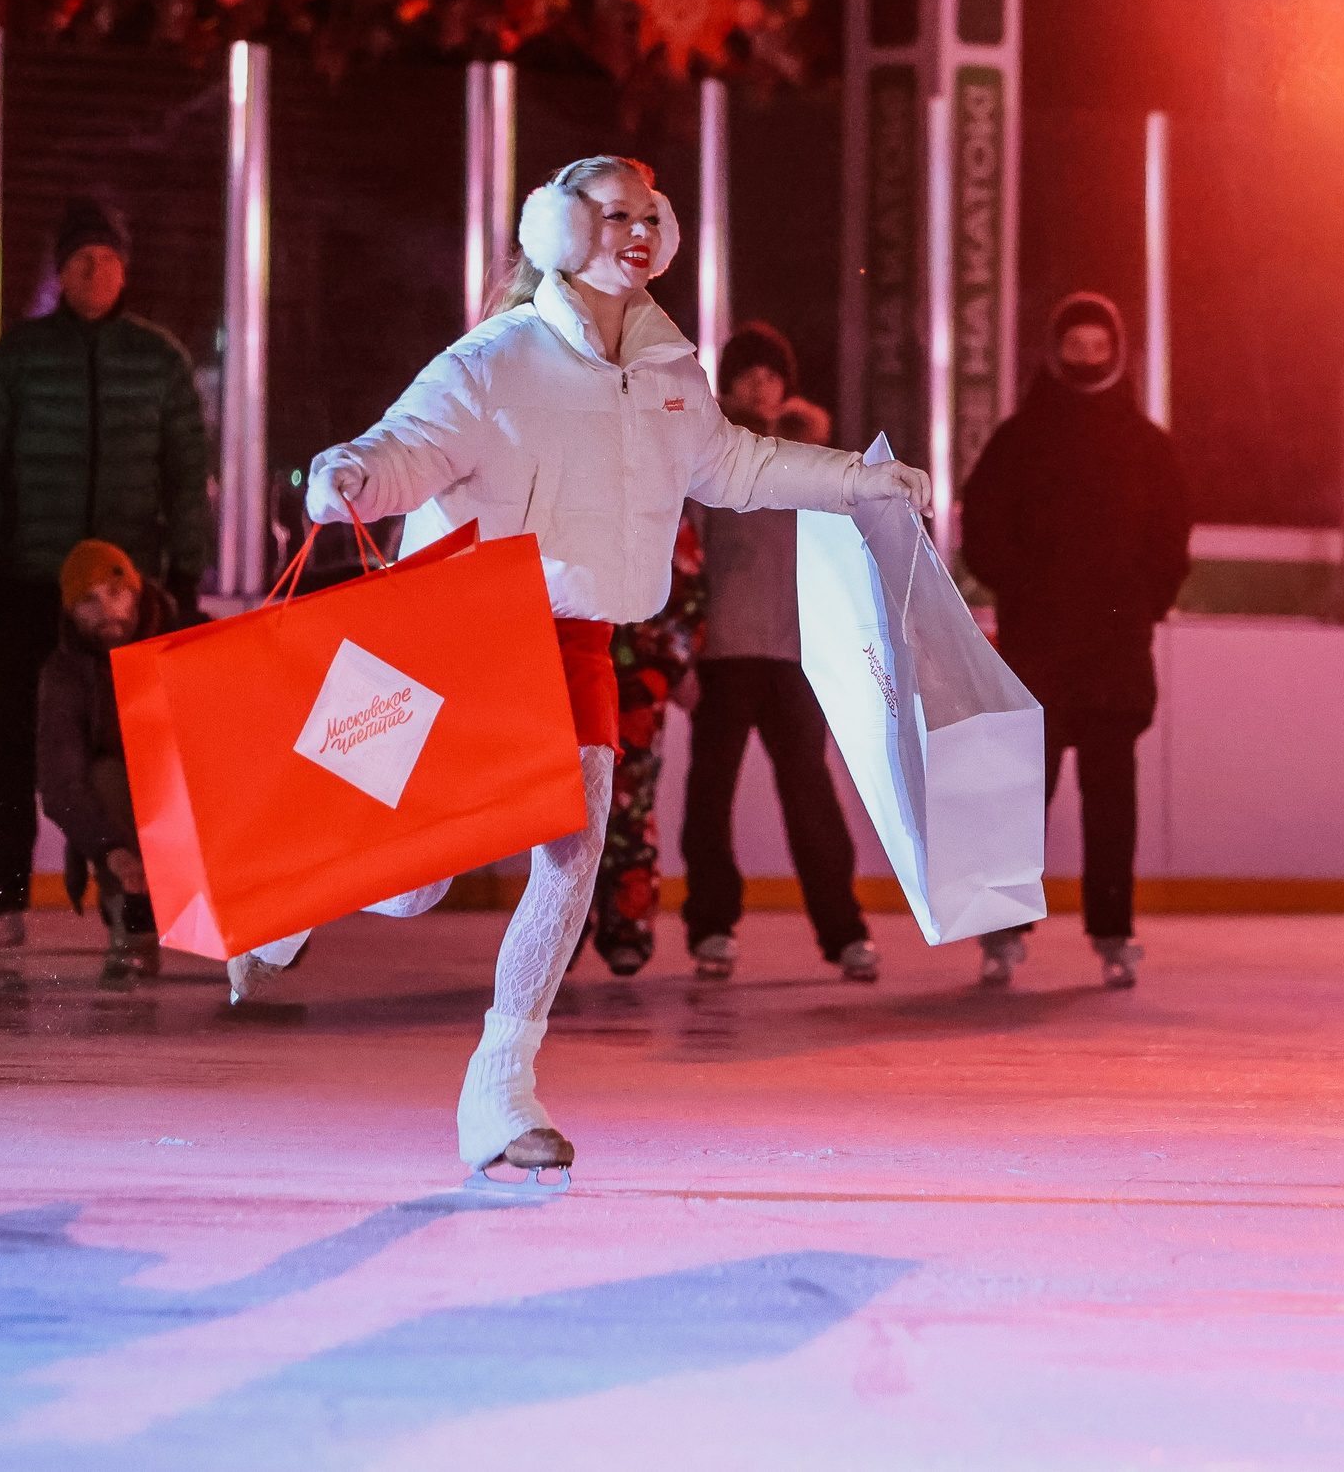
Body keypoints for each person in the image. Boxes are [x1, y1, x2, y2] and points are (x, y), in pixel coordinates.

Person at [296, 155, 929, 1184]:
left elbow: (740, 466)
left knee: (571, 850)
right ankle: (316, 880)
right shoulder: (494, 358)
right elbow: (408, 446)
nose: (635, 230)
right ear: (555, 225)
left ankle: (500, 1086)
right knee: (412, 890)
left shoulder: (672, 372)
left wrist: (860, 481)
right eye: (611, 213)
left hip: (582, 635)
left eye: (649, 214)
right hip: (467, 629)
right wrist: (351, 475)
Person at [0, 198, 211, 947]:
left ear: (125, 268)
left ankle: (139, 892)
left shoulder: (160, 361)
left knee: (135, 749)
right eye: (78, 259)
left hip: (127, 597)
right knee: (8, 737)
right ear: (59, 272)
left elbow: (186, 473)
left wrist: (183, 572)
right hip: (30, 583)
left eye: (105, 256)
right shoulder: (16, 360)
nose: (93, 269)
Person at [960, 291, 1192, 990]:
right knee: (1024, 790)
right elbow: (982, 529)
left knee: (1111, 792)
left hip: (1115, 650)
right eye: (1075, 346)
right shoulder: (1019, 439)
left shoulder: (1148, 447)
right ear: (1054, 353)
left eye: (1098, 346)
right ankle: (1002, 931)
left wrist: (1144, 603)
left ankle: (1114, 929)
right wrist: (1023, 591)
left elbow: (1171, 541)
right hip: (1039, 647)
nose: (1087, 358)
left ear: (1117, 354)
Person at [681, 382, 881, 984]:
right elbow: (686, 563)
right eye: (747, 375)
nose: (759, 387)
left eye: (771, 375)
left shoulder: (810, 465)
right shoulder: (709, 462)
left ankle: (844, 929)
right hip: (723, 653)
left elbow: (844, 562)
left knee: (810, 792)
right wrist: (683, 658)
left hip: (796, 657)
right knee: (711, 794)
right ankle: (712, 925)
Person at [37, 540, 185, 985]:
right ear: (71, 611)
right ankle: (132, 925)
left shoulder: (189, 638)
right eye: (89, 600)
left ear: (138, 594)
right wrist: (111, 850)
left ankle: (261, 927)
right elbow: (60, 782)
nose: (107, 610)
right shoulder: (65, 675)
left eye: (117, 593)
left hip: (196, 794)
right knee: (102, 775)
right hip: (130, 815)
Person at [583, 515, 704, 976]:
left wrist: (667, 669)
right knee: (565, 805)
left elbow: (688, 590)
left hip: (636, 687)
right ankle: (561, 928)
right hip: (571, 674)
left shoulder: (663, 505)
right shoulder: (566, 490)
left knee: (629, 806)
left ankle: (627, 926)